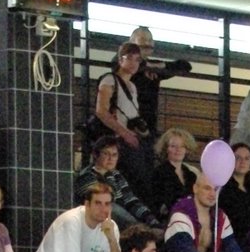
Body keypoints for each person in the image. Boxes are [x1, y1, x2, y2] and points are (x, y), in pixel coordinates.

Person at [92, 42, 153, 198]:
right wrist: (125, 133)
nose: (134, 63)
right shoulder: (109, 79)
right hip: (118, 138)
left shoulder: (132, 86)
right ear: (120, 60)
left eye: (137, 60)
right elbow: (101, 110)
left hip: (130, 138)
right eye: (129, 58)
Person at [164, 175, 250, 252]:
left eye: (216, 189)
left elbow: (233, 251)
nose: (212, 194)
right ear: (195, 188)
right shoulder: (181, 214)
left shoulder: (220, 217)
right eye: (207, 188)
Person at [73, 137, 158, 230]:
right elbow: (107, 203)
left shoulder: (116, 175)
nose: (111, 158)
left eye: (114, 155)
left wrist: (151, 220)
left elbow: (130, 201)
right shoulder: (86, 176)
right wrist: (137, 227)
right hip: (96, 226)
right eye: (106, 154)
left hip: (120, 225)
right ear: (96, 155)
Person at [152, 127, 199, 219]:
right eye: (173, 146)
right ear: (166, 149)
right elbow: (159, 204)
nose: (178, 150)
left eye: (182, 146)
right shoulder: (159, 173)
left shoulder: (191, 175)